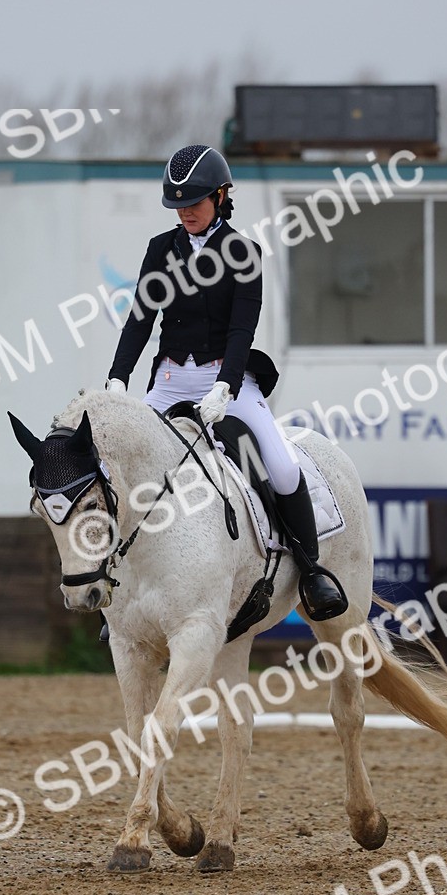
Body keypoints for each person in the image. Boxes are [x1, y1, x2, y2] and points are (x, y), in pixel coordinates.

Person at [105, 143, 346, 621]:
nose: (186, 212)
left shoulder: (245, 253)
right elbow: (140, 320)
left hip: (225, 379)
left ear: (221, 196)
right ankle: (117, 585)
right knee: (125, 468)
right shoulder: (160, 250)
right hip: (170, 380)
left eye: (195, 202)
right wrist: (118, 377)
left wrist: (227, 386)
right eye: (178, 205)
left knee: (279, 465)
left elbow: (242, 329)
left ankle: (311, 568)